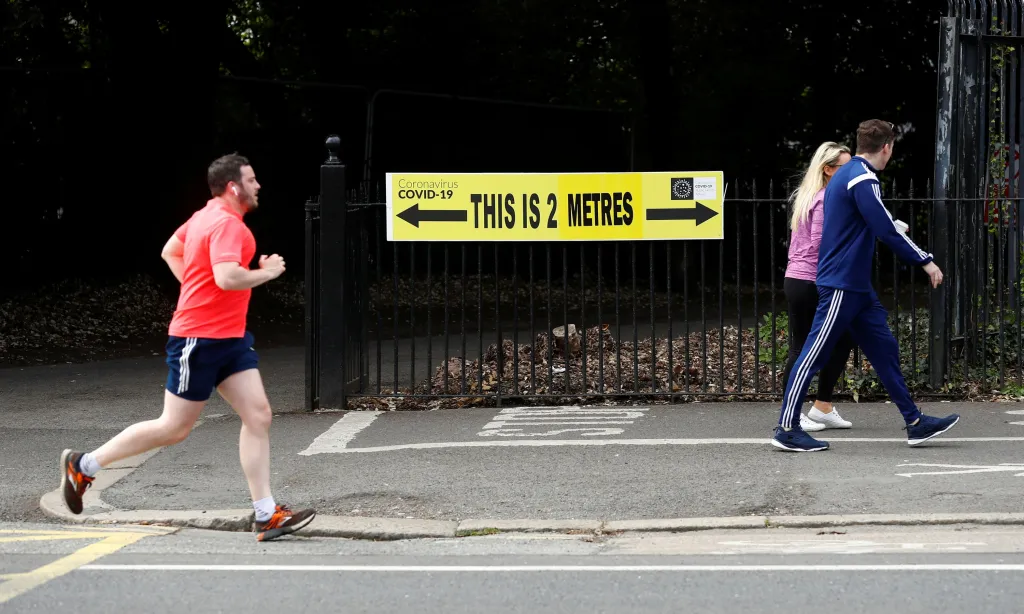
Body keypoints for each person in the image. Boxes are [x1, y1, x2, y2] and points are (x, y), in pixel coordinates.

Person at [59, 153, 316, 541]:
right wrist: (268, 271)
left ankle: (266, 514)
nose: (258, 185)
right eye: (252, 179)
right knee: (174, 428)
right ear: (234, 187)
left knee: (259, 415)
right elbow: (228, 278)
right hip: (200, 339)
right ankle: (85, 464)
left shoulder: (201, 217)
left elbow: (170, 251)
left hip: (229, 339)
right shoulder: (229, 225)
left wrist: (196, 289)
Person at [771, 120, 960, 452]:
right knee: (812, 354)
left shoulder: (846, 175)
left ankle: (915, 423)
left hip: (855, 287)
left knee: (884, 351)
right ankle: (786, 429)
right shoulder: (862, 177)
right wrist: (925, 260)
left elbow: (871, 223)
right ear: (887, 147)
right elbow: (885, 229)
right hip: (843, 283)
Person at [783, 141, 857, 432]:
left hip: (804, 279)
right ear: (828, 170)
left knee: (844, 337)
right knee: (801, 347)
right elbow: (820, 244)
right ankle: (792, 413)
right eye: (845, 166)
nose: (852, 171)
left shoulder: (813, 194)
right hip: (810, 280)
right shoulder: (826, 198)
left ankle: (822, 406)